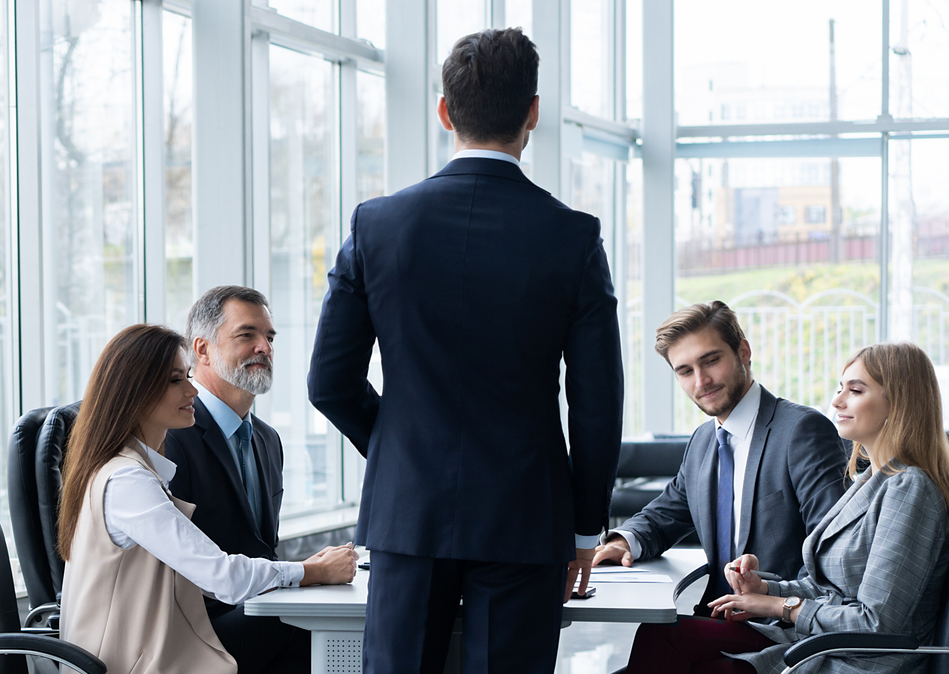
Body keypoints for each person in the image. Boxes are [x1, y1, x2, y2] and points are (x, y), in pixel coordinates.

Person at [307, 27, 624, 674]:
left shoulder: (376, 225)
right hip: (526, 519)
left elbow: (329, 383)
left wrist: (403, 452)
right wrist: (585, 530)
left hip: (407, 513)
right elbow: (597, 405)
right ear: (532, 113)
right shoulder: (571, 237)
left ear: (445, 112)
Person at [629, 342, 949, 674]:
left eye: (856, 390)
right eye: (840, 388)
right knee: (661, 636)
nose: (837, 400)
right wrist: (764, 589)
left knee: (666, 646)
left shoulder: (910, 489)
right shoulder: (874, 479)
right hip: (825, 644)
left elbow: (876, 623)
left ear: (899, 402)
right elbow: (833, 587)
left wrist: (781, 606)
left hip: (855, 660)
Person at [58, 324, 358, 674]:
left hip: (157, 647)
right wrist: (311, 572)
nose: (192, 389)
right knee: (300, 632)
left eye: (187, 376)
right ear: (134, 393)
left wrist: (304, 572)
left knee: (294, 644)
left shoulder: (133, 471)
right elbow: (221, 577)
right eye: (175, 380)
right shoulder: (127, 480)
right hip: (132, 663)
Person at [595, 301, 848, 611]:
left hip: (779, 626)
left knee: (657, 645)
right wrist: (623, 541)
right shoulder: (703, 441)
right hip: (717, 618)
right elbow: (665, 517)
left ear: (743, 351)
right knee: (655, 642)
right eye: (686, 371)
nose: (701, 381)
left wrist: (780, 602)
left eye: (711, 360)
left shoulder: (801, 431)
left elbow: (834, 556)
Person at [165, 286, 322, 673]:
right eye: (247, 335)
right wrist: (307, 575)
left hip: (252, 612)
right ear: (201, 350)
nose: (265, 347)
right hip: (192, 629)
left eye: (269, 337)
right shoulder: (171, 435)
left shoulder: (268, 440)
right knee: (318, 634)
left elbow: (262, 549)